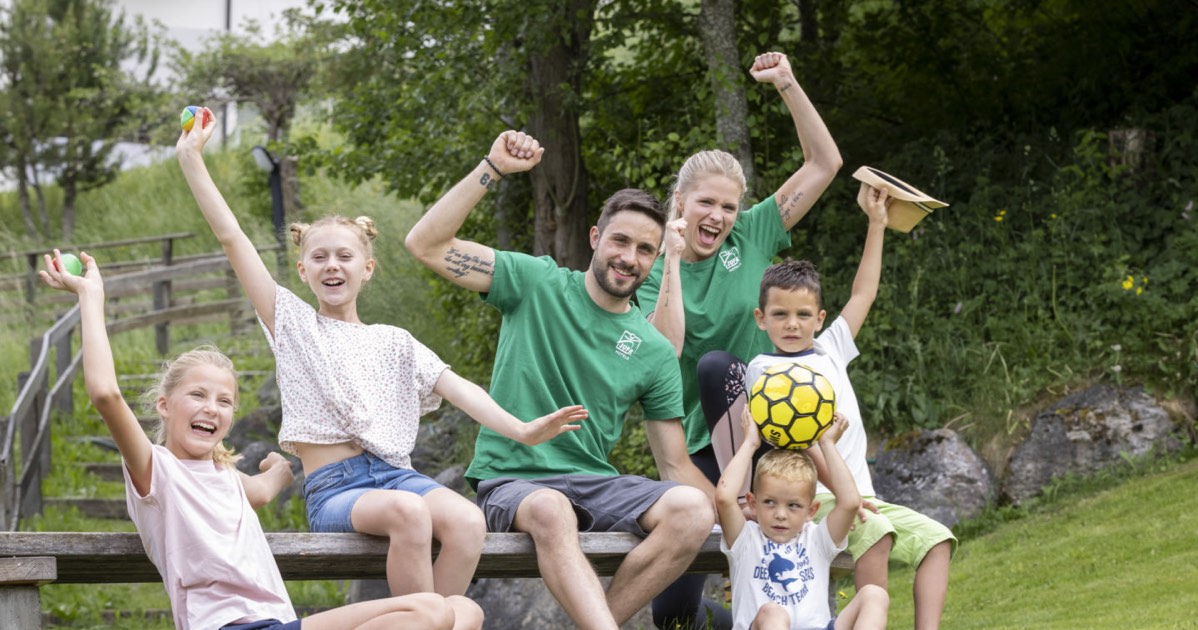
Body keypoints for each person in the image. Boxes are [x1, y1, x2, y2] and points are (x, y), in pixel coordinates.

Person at [176, 109, 588, 598]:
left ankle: (434, 619)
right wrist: (191, 160)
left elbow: (461, 390)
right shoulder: (293, 324)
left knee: (467, 522)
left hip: (398, 475)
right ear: (304, 271)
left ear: (367, 268)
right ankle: (423, 617)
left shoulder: (395, 341)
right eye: (320, 258)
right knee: (410, 513)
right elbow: (232, 238)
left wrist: (522, 430)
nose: (332, 265)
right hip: (337, 489)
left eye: (344, 256)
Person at [38, 251, 484, 630]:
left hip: (280, 623)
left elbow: (266, 487)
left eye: (224, 401)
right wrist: (90, 296)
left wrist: (279, 469)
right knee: (429, 608)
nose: (211, 408)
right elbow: (104, 393)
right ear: (164, 406)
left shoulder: (228, 479)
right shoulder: (155, 471)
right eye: (197, 395)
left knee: (462, 609)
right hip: (226, 626)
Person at [404, 130, 717, 630]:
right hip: (514, 478)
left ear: (656, 258)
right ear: (596, 238)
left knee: (693, 511)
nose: (628, 257)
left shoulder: (654, 351)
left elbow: (675, 464)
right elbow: (425, 244)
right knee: (551, 509)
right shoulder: (536, 283)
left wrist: (745, 511)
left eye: (643, 249)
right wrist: (494, 167)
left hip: (595, 484)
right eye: (619, 240)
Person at [637, 50, 843, 630]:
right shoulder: (651, 263)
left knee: (720, 365)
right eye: (706, 202)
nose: (719, 215)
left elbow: (825, 163)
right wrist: (671, 261)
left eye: (728, 206)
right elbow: (659, 351)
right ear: (679, 203)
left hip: (769, 429)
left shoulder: (752, 235)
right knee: (673, 616)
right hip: (699, 447)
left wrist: (786, 84)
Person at [744, 184, 956, 629]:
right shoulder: (765, 372)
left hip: (864, 493)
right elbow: (791, 447)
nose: (792, 324)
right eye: (780, 315)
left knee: (937, 540)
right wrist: (848, 499)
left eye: (803, 314)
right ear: (762, 319)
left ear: (819, 319)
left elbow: (863, 294)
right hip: (819, 497)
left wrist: (876, 224)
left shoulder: (831, 348)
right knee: (876, 532)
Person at [717, 407, 889, 630]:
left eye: (793, 506)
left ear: (811, 511)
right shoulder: (745, 540)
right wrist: (750, 443)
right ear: (752, 503)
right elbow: (724, 498)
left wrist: (827, 444)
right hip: (764, 625)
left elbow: (849, 502)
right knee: (773, 612)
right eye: (769, 502)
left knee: (874, 595)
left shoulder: (817, 539)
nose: (780, 514)